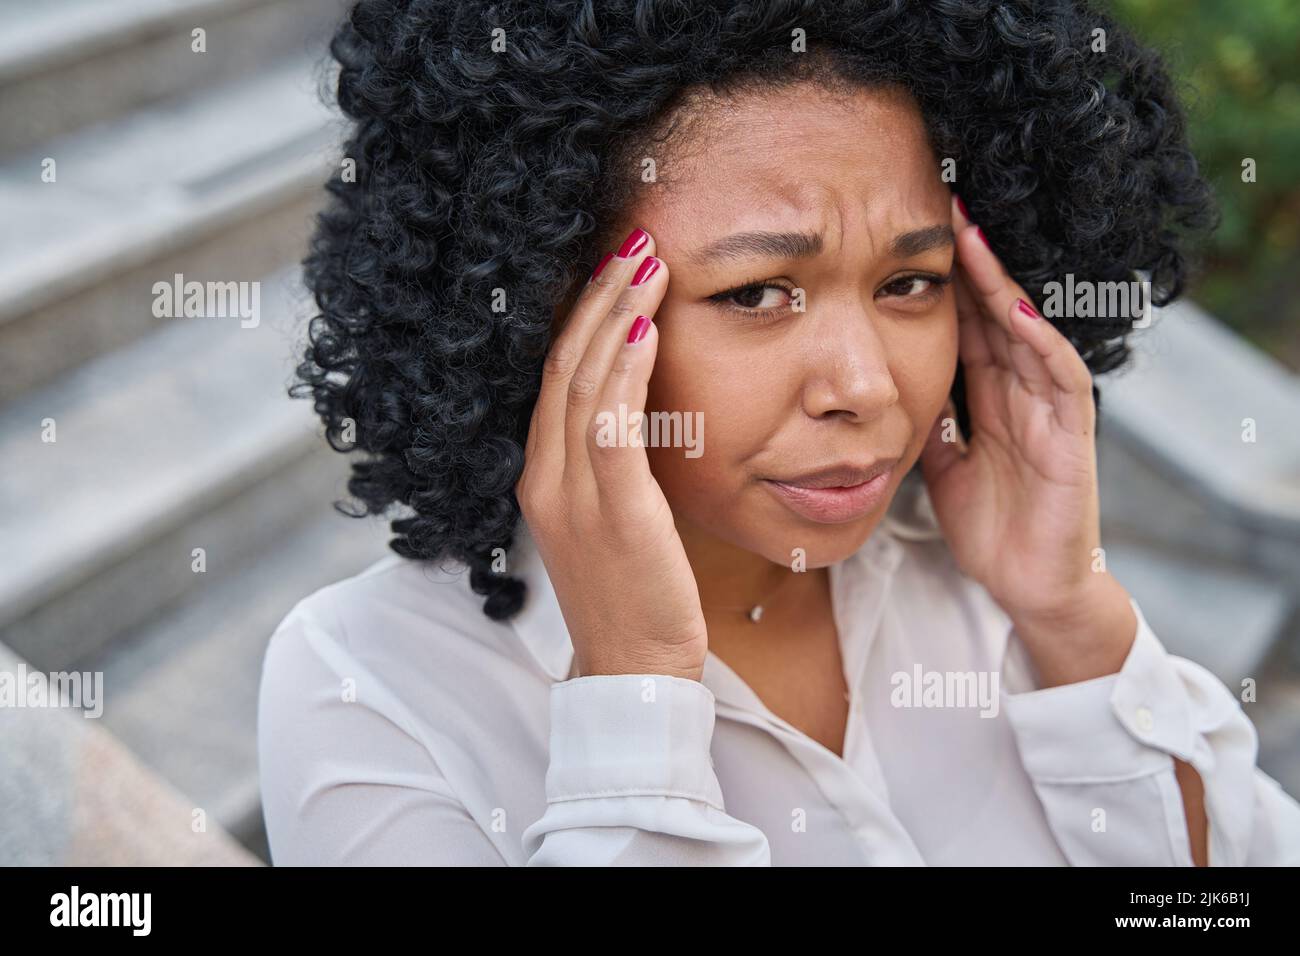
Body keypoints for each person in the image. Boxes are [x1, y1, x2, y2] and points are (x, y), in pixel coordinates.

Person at [257, 0, 1300, 865]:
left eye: (909, 282)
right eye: (758, 291)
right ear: (543, 305)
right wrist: (635, 685)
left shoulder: (1001, 596)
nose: (864, 384)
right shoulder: (370, 683)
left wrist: (1070, 617)